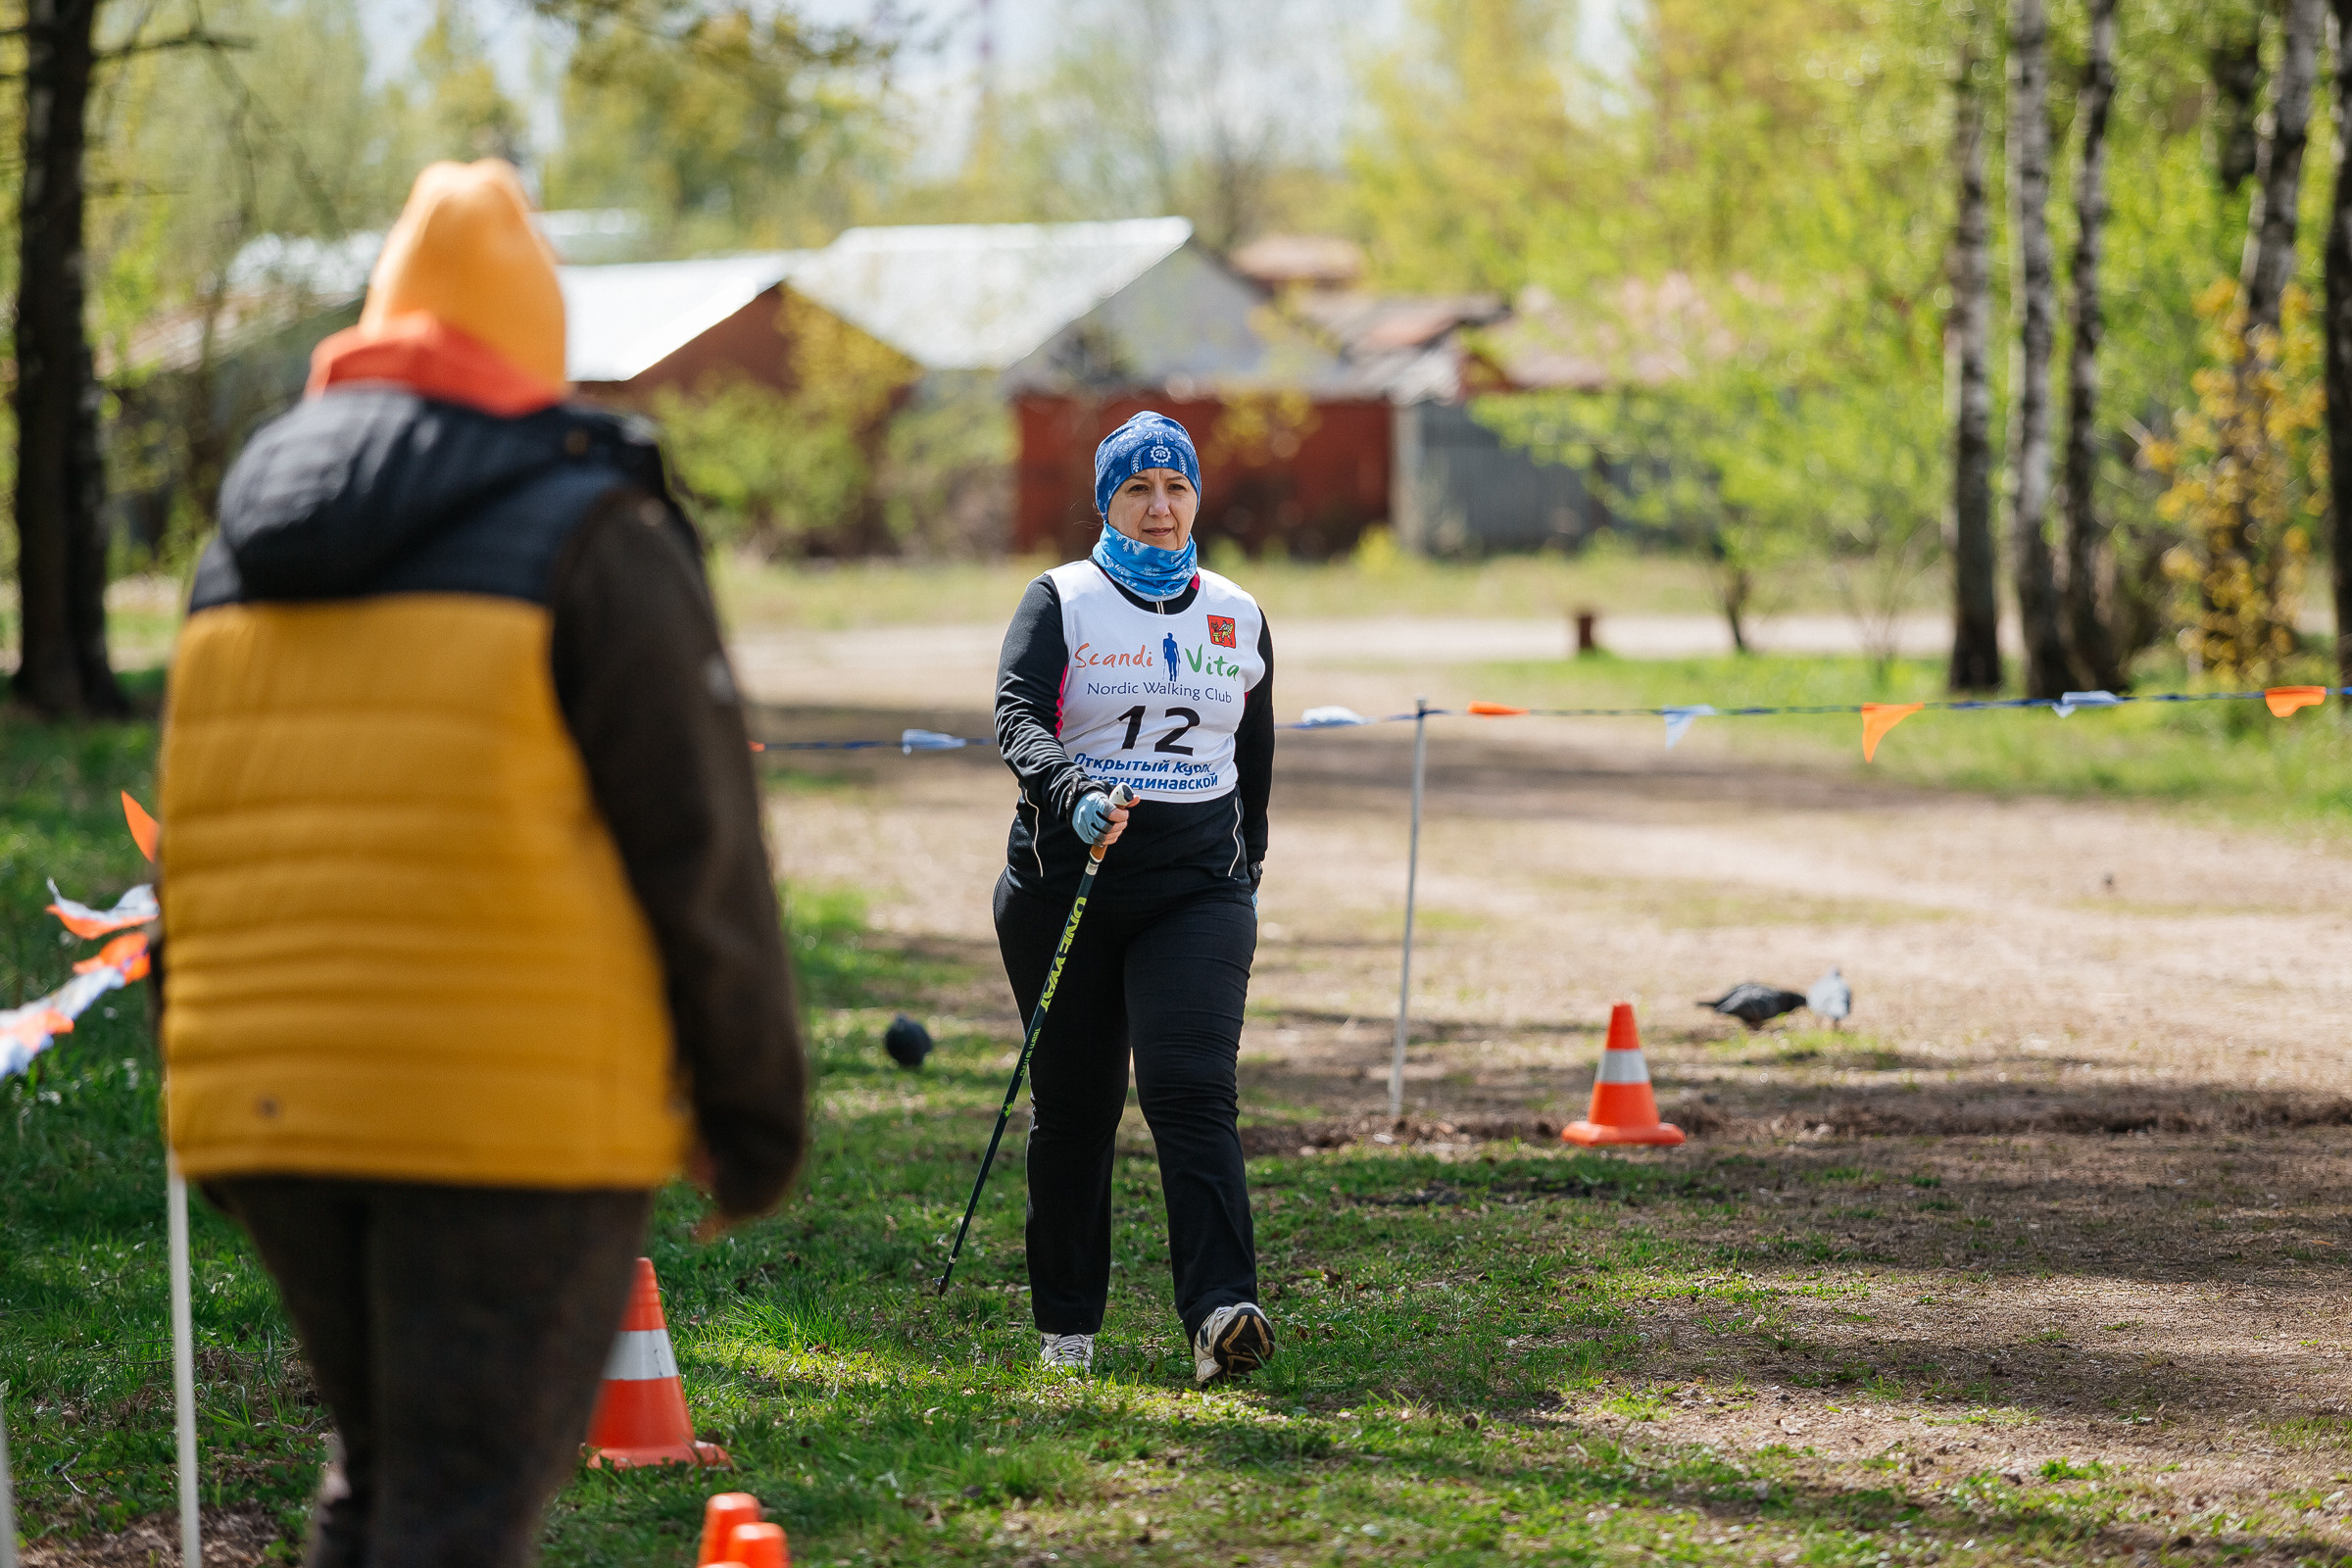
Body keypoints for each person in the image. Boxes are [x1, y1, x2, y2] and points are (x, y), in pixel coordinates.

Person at [154, 161, 807, 1568]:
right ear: (537, 348)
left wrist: (199, 1080)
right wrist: (754, 1110)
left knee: (389, 1485)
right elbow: (700, 846)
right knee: (457, 1508)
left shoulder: (237, 548)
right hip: (509, 1119)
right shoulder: (592, 527)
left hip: (274, 1108)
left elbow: (199, 844)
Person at [993, 410, 1277, 1384]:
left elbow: (1253, 757)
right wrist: (1067, 793)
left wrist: (1243, 876)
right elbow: (1018, 713)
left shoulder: (1236, 609)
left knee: (1190, 1089)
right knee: (1076, 1107)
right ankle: (1068, 1327)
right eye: (1137, 490)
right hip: (1066, 884)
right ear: (1107, 501)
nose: (1160, 509)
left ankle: (1221, 1313)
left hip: (1195, 887)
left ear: (1196, 495)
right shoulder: (1061, 599)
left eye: (1177, 488)